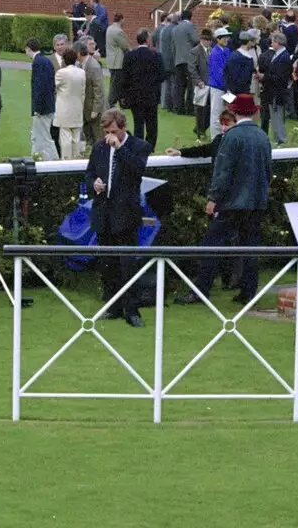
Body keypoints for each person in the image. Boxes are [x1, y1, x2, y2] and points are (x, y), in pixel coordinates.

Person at [174, 94, 271, 306]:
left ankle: (201, 291)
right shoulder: (262, 136)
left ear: (235, 112)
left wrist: (213, 199)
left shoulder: (232, 137)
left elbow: (223, 172)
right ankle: (248, 292)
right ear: (253, 112)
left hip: (232, 203)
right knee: (250, 249)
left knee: (210, 245)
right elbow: (267, 170)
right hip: (256, 202)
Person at [85, 109, 150, 327]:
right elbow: (89, 172)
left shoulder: (139, 146)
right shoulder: (99, 147)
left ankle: (132, 311)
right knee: (107, 264)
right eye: (106, 131)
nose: (109, 135)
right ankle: (112, 307)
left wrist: (120, 148)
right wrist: (94, 183)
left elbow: (137, 170)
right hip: (104, 212)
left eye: (113, 131)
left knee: (127, 264)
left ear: (123, 128)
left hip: (126, 215)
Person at [119, 28, 163, 151]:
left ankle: (138, 146)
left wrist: (123, 95)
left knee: (138, 123)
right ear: (148, 40)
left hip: (135, 96)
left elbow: (124, 77)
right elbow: (162, 75)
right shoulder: (156, 56)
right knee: (152, 123)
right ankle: (150, 147)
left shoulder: (129, 56)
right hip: (151, 96)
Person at [26, 37, 59, 160]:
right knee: (37, 135)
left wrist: (38, 108)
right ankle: (37, 157)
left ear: (28, 49)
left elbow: (40, 87)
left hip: (43, 107)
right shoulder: (45, 60)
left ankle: (54, 160)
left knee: (44, 136)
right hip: (48, 105)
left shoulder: (38, 62)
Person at [258, 30, 293, 144]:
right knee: (274, 116)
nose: (271, 44)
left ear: (278, 42)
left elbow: (280, 77)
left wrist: (264, 76)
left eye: (273, 41)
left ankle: (281, 139)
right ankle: (277, 138)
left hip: (277, 91)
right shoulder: (279, 55)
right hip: (273, 90)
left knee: (277, 116)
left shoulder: (283, 57)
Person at [54, 48, 87, 158]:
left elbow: (54, 86)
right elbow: (82, 91)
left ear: (64, 60)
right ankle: (75, 161)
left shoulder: (61, 73)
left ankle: (66, 162)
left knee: (65, 139)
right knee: (76, 138)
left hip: (64, 110)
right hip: (77, 108)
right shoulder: (82, 72)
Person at [81, 37, 107, 145]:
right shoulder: (82, 63)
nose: (93, 46)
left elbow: (99, 88)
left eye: (93, 43)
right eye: (90, 44)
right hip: (86, 108)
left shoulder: (93, 64)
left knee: (99, 138)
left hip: (96, 108)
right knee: (89, 138)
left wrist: (96, 109)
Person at [190, 28, 214, 141]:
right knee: (200, 109)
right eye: (206, 40)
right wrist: (198, 80)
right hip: (201, 85)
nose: (209, 42)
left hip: (212, 84)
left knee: (210, 110)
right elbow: (192, 68)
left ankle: (201, 128)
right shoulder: (195, 51)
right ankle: (200, 131)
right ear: (202, 39)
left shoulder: (212, 50)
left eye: (210, 40)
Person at [105, 12, 129, 106]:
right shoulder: (118, 31)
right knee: (116, 84)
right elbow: (124, 46)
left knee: (117, 83)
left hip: (111, 60)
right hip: (118, 61)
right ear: (121, 19)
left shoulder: (109, 28)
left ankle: (122, 102)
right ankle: (111, 102)